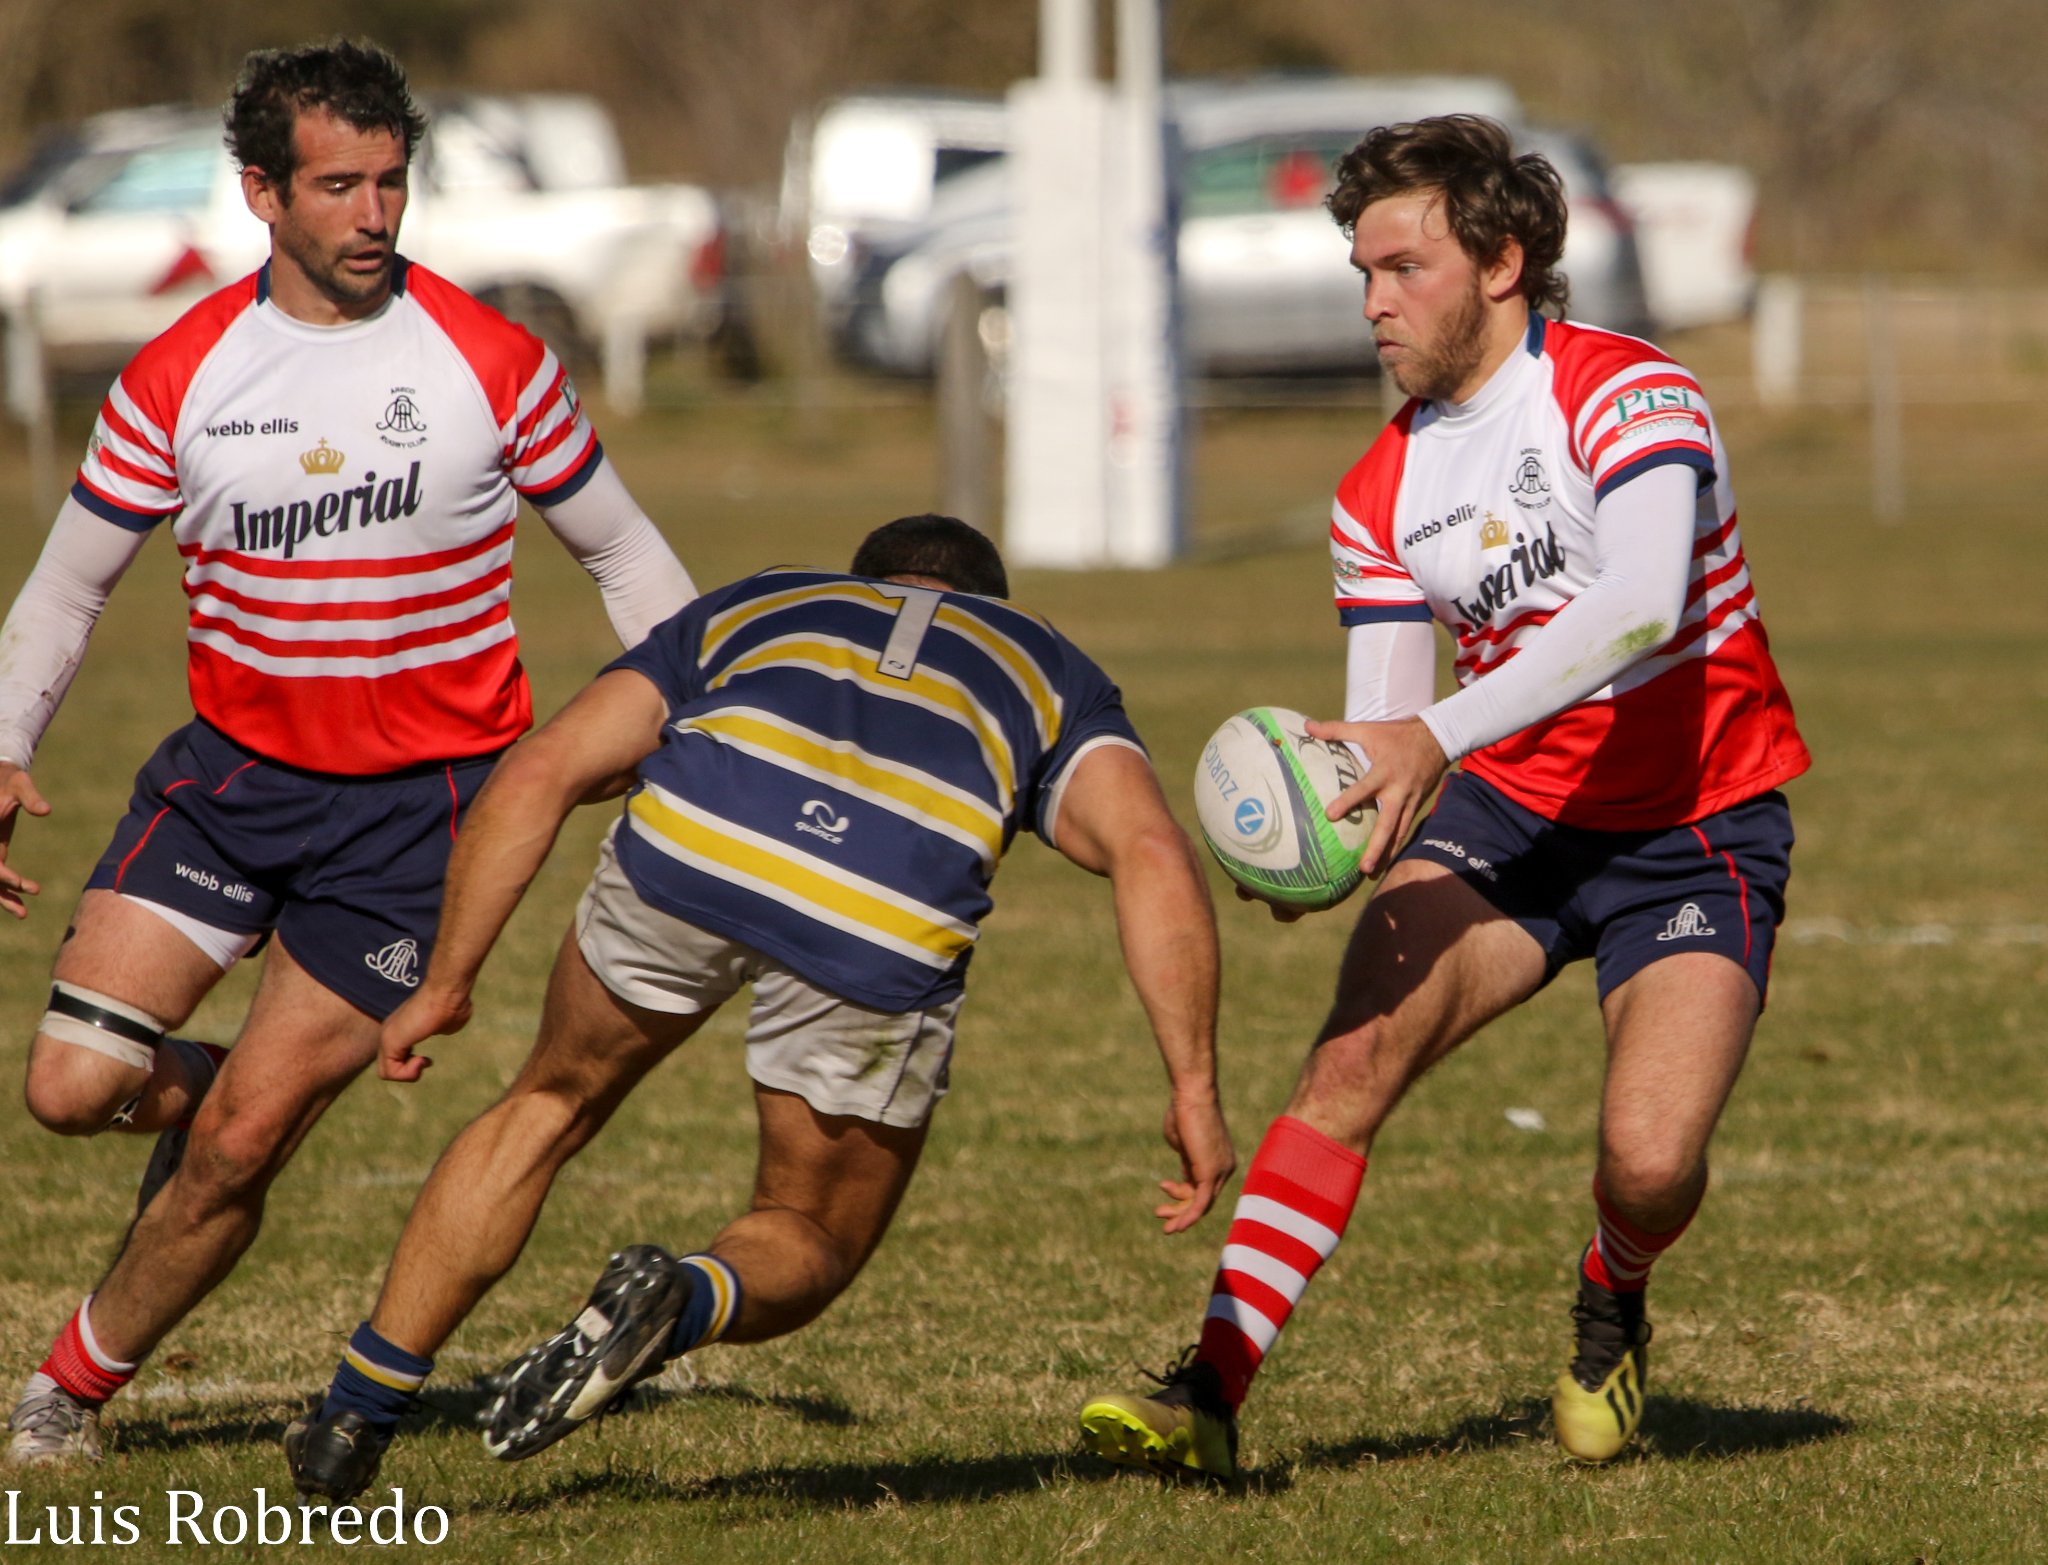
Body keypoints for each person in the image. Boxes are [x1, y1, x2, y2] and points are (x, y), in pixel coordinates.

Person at [1078, 114, 1810, 1478]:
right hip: (1515, 821)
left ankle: (1614, 1290)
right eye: (1361, 273)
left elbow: (1644, 604)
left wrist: (1428, 735)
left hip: (1694, 824)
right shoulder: (1380, 490)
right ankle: (1210, 1387)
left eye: (1401, 267)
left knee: (1651, 1162)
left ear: (1500, 261)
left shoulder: (1630, 392)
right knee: (1348, 1061)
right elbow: (1381, 734)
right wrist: (1323, 836)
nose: (1372, 303)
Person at [0, 40, 696, 1466]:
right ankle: (208, 1080)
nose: (375, 215)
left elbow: (628, 558)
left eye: (392, 182)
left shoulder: (488, 361)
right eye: (339, 186)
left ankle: (66, 1390)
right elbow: (70, 587)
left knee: (244, 1144)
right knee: (69, 1088)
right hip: (227, 785)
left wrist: (695, 727)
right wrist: (4, 746)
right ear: (262, 192)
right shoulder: (182, 372)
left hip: (417, 823)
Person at [279, 514, 1234, 1502]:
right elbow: (1148, 852)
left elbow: (544, 768)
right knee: (808, 1231)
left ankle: (353, 1415)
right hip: (879, 906)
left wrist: (445, 980)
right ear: (989, 606)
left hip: (693, 839)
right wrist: (1193, 1084)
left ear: (862, 580)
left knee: (545, 1102)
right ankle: (681, 1297)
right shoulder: (1047, 666)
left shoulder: (763, 601)